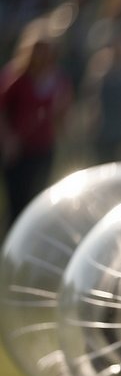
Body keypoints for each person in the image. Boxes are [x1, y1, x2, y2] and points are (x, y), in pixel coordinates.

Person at [0, 17, 72, 231]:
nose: (42, 55)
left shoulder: (58, 80)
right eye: (38, 49)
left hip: (44, 147)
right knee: (17, 201)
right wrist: (8, 140)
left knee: (38, 199)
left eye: (47, 50)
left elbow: (62, 113)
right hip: (19, 150)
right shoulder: (16, 78)